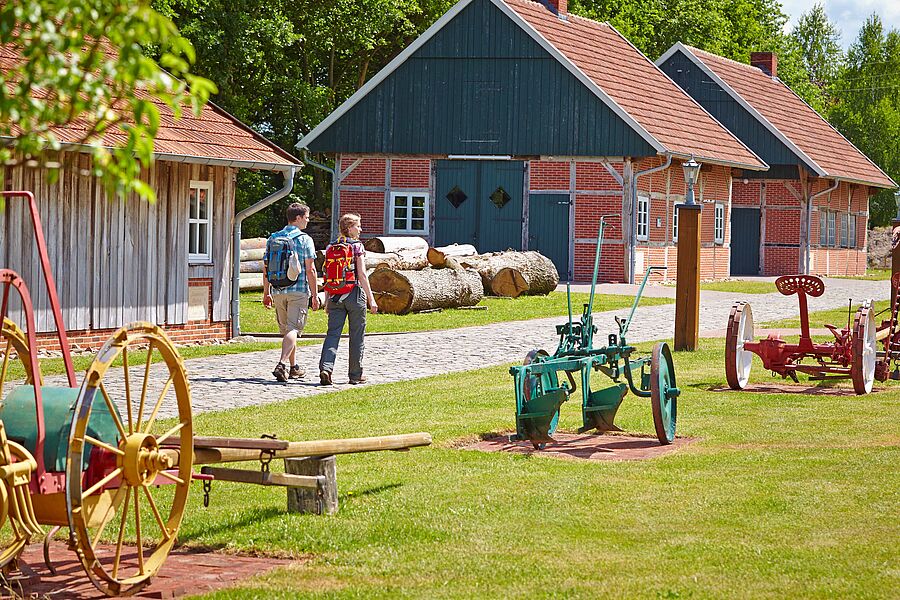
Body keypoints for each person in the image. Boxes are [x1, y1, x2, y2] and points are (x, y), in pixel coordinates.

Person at [319, 213, 378, 385]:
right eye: (358, 226)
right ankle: (355, 375)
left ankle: (326, 368)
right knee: (357, 335)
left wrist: (328, 299)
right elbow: (362, 274)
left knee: (332, 334)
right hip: (354, 293)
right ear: (350, 227)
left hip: (336, 295)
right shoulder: (357, 247)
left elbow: (327, 275)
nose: (360, 229)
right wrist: (371, 299)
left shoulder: (331, 247)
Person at [263, 202, 319, 382]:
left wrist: (266, 292)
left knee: (288, 330)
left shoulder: (273, 238)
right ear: (298, 218)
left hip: (278, 289)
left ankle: (294, 368)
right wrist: (315, 294)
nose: (308, 222)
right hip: (298, 290)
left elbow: (265, 268)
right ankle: (282, 364)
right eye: (307, 218)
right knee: (294, 329)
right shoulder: (304, 239)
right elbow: (310, 270)